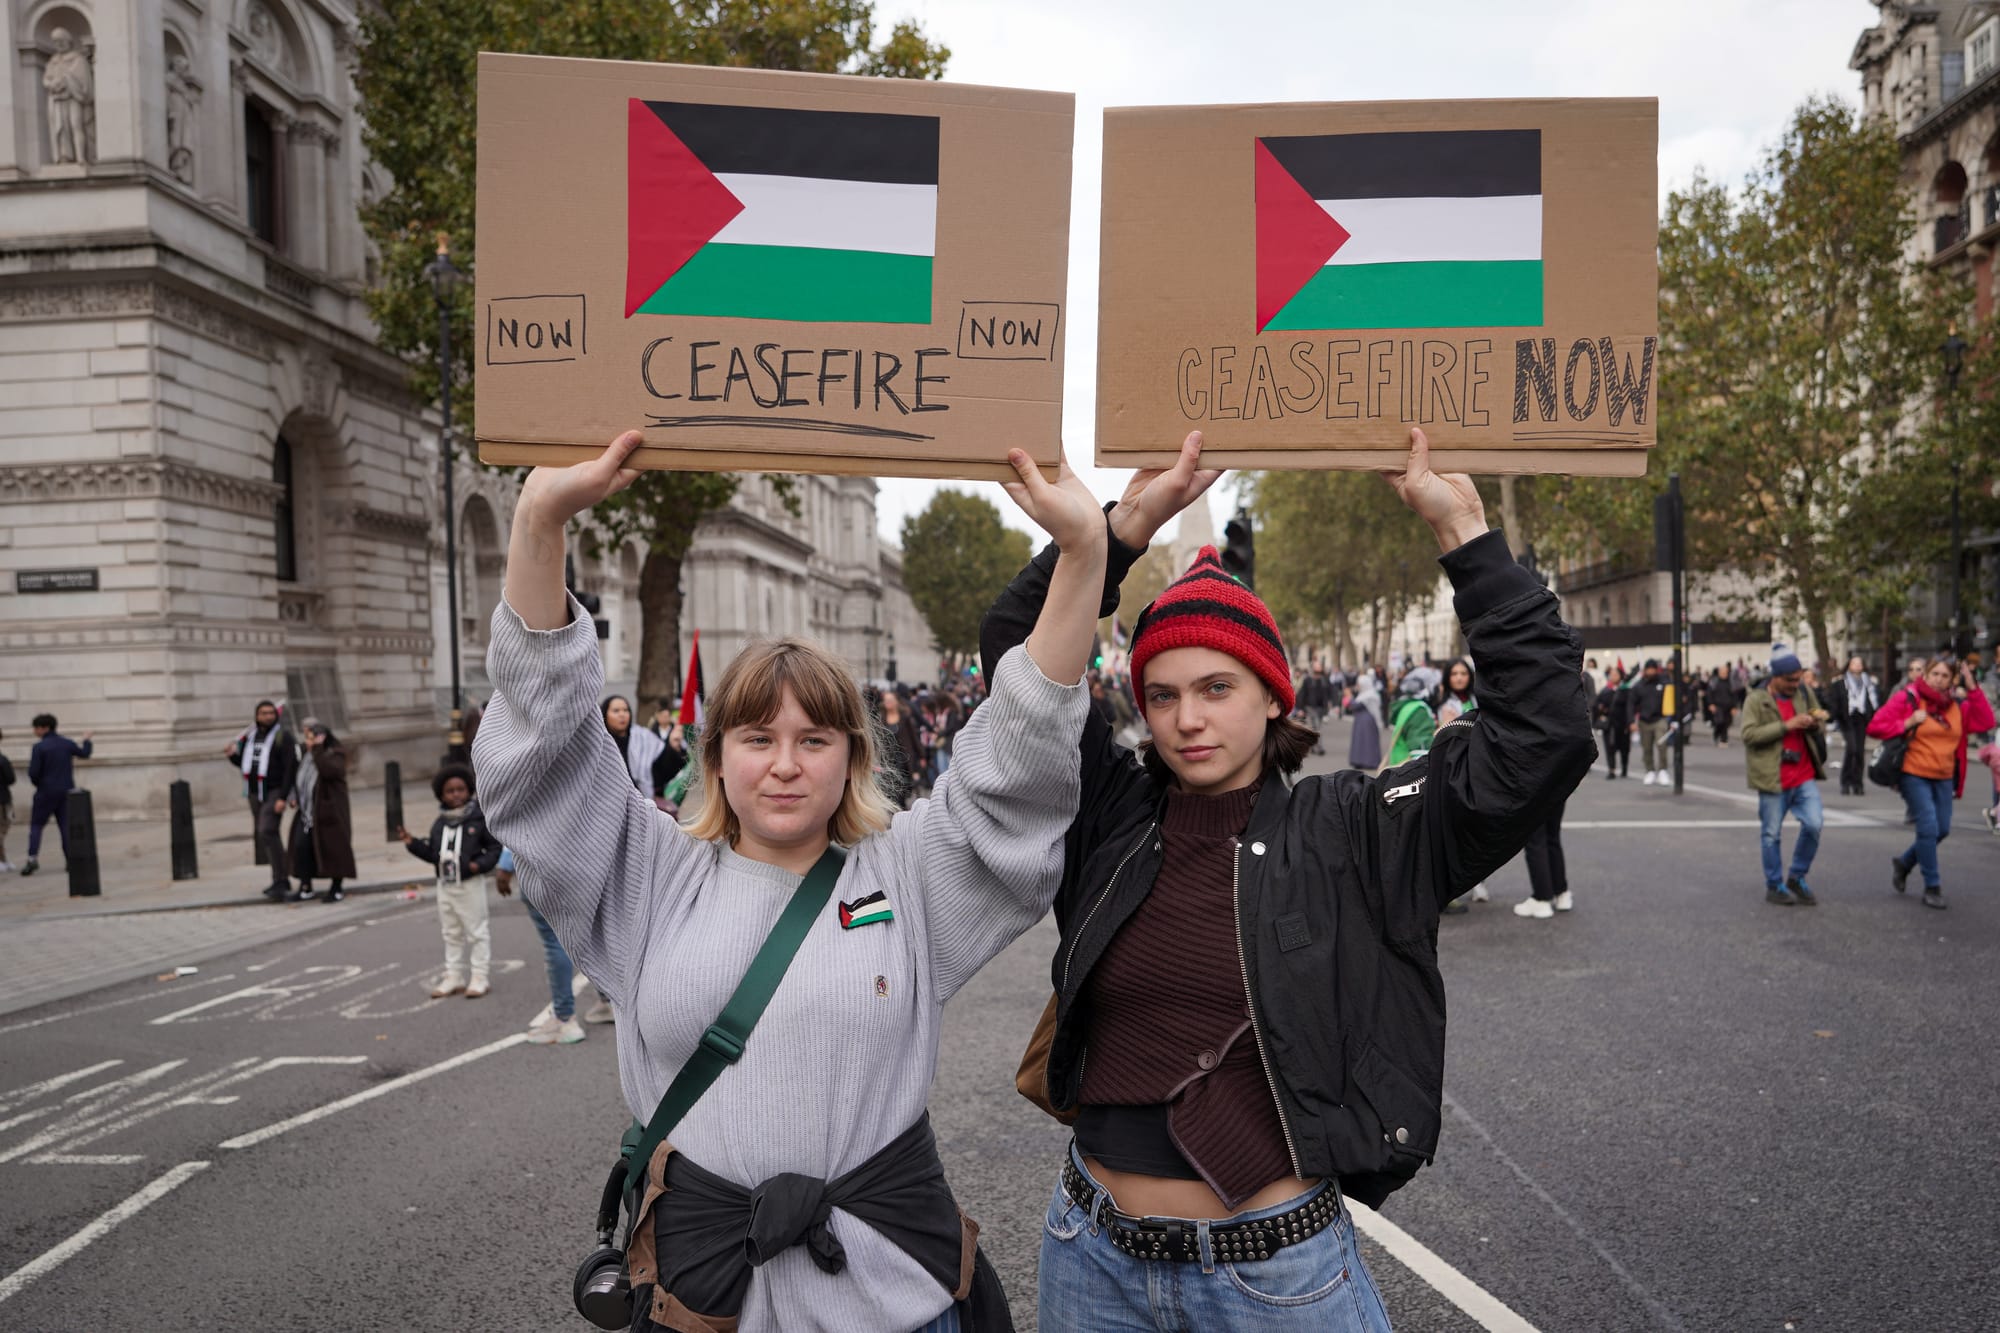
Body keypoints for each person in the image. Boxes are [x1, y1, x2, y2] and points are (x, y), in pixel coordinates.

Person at [474, 429, 1109, 1333]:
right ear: (716, 756)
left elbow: (1017, 764)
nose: (784, 765)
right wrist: (538, 522)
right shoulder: (647, 870)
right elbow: (549, 761)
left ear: (850, 757)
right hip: (705, 1297)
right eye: (757, 739)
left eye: (814, 740)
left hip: (897, 1297)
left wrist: (1085, 556)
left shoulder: (907, 871)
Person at [995, 428, 1595, 1333]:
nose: (1187, 718)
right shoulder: (1106, 814)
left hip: (1274, 1276)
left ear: (1275, 694)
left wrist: (1466, 533)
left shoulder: (1357, 827)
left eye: (1216, 687)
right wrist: (1123, 527)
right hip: (1091, 1259)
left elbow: (1543, 737)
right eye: (1162, 694)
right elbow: (1019, 651)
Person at [1868, 655, 1996, 910]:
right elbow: (1875, 726)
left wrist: (1972, 688)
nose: (1939, 680)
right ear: (1925, 675)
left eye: (1945, 676)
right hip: (1913, 772)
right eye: (1934, 674)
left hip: (1944, 776)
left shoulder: (1957, 706)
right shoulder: (1909, 698)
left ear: (1952, 680)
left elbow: (1986, 722)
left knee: (1942, 829)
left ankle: (1904, 863)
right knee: (1927, 826)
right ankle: (1932, 886)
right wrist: (1907, 722)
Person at [400, 763, 503, 997]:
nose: (456, 794)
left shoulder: (478, 818)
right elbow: (433, 855)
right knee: (451, 932)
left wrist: (480, 865)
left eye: (461, 789)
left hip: (469, 884)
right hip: (445, 885)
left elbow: (494, 848)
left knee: (476, 931)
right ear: (441, 794)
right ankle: (454, 975)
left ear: (469, 790)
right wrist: (412, 843)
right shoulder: (440, 823)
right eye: (450, 791)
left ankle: (479, 976)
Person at [1739, 650, 1829, 906]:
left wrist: (1814, 723)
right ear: (1775, 677)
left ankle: (1797, 876)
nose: (1795, 684)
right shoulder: (1756, 699)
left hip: (1803, 775)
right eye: (1790, 680)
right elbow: (1748, 735)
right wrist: (1786, 725)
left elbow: (1820, 718)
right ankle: (1774, 884)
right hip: (1772, 777)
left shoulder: (1802, 692)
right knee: (1771, 834)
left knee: (1814, 824)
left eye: (1798, 679)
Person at [498, 847, 588, 1045]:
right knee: (587, 937)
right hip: (580, 868)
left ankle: (564, 1019)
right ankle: (607, 1002)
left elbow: (518, 825)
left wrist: (505, 866)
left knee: (554, 942)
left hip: (543, 870)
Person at [226, 700, 297, 899]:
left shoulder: (283, 737)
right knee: (266, 834)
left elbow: (290, 768)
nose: (268, 717)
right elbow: (247, 764)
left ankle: (281, 879)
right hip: (254, 791)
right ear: (257, 716)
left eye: (271, 713)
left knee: (267, 829)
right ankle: (279, 878)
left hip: (274, 790)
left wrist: (284, 796)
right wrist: (232, 757)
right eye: (263, 713)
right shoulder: (251, 737)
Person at [286, 722, 357, 903]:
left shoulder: (335, 753)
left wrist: (317, 750)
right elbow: (296, 776)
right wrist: (293, 796)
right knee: (301, 847)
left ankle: (336, 887)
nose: (308, 741)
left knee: (334, 849)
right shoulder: (303, 754)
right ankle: (305, 886)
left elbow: (329, 771)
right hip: (307, 812)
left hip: (329, 811)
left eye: (312, 737)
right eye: (307, 737)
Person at [21, 714, 93, 877]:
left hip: (45, 792)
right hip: (66, 791)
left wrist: (40, 784)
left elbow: (33, 773)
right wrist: (86, 739)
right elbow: (85, 753)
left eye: (36, 728)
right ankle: (70, 860)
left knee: (36, 826)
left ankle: (32, 858)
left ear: (44, 728)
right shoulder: (66, 744)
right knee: (65, 826)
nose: (34, 731)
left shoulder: (39, 747)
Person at [1825, 656, 1880, 797]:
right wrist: (1832, 716)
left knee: (1859, 751)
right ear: (1849, 665)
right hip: (1846, 719)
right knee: (1852, 748)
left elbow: (1875, 700)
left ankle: (1858, 783)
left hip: (1861, 719)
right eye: (1854, 663)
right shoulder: (1840, 682)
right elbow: (1835, 701)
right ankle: (1845, 782)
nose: (1857, 665)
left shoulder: (1869, 682)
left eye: (1859, 663)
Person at [603, 695, 668, 801]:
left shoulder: (642, 737)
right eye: (616, 711)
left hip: (641, 801)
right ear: (605, 714)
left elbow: (662, 764)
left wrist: (675, 746)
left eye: (626, 710)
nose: (622, 714)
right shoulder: (601, 742)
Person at [1383, 674, 1437, 768]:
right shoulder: (1419, 710)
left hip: (1398, 763)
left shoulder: (1406, 707)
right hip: (1409, 768)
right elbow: (1420, 746)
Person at [1632, 660, 1670, 785]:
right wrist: (1632, 721)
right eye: (1649, 669)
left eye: (1653, 669)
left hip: (1660, 719)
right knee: (1646, 747)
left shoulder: (1663, 682)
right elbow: (1632, 704)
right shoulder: (1639, 685)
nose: (1651, 672)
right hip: (1644, 721)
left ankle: (1663, 770)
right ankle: (1650, 770)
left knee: (1661, 744)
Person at [1594, 667, 1633, 779]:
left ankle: (1624, 768)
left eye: (1615, 674)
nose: (1613, 676)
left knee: (1624, 747)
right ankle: (1611, 770)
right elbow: (1597, 704)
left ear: (1621, 676)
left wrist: (1629, 722)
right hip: (1609, 725)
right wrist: (1601, 708)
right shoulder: (1606, 690)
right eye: (1611, 674)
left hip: (1623, 724)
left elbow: (1630, 707)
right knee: (1609, 747)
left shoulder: (1626, 690)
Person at [1344, 672, 1384, 772]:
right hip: (1362, 721)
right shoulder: (1365, 694)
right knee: (1361, 741)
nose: (1357, 686)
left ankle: (1369, 761)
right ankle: (1359, 760)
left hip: (1367, 721)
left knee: (1367, 741)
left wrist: (1349, 697)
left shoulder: (1369, 695)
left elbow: (1355, 705)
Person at [0, 728, 15, 874]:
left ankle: (3, 860)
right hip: (2, 799)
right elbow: (11, 779)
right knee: (2, 829)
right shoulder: (2, 759)